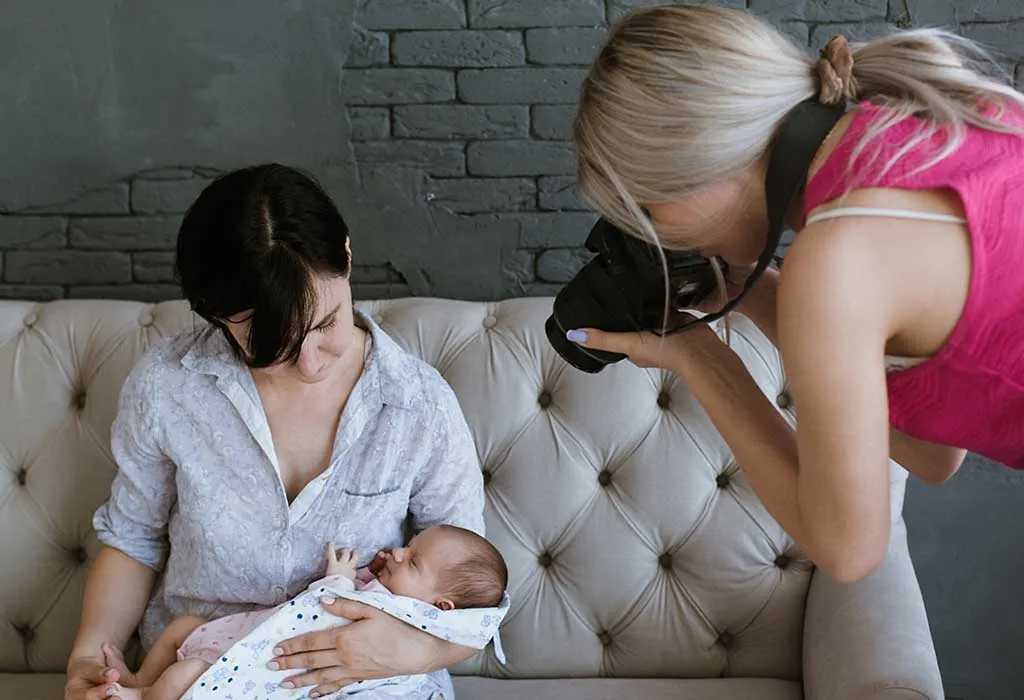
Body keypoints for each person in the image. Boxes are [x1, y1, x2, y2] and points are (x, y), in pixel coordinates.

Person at [564, 4, 1024, 583]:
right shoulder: (926, 126)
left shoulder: (837, 257)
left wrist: (697, 357)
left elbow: (848, 551)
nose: (661, 237)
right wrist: (751, 293)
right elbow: (933, 453)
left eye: (646, 210)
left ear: (691, 164)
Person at [64, 164, 488, 700]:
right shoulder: (167, 386)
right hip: (197, 677)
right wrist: (86, 661)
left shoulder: (418, 404)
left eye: (326, 324)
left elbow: (471, 594)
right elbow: (134, 540)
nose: (311, 364)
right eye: (273, 347)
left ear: (347, 258)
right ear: (219, 318)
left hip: (364, 684)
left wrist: (414, 652)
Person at [100, 526, 508, 700]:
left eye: (413, 561)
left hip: (261, 671)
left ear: (440, 608)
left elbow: (332, 608)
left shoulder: (405, 616)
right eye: (409, 545)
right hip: (245, 635)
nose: (398, 552)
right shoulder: (389, 586)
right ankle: (139, 680)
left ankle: (145, 696)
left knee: (185, 675)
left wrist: (340, 579)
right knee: (184, 626)